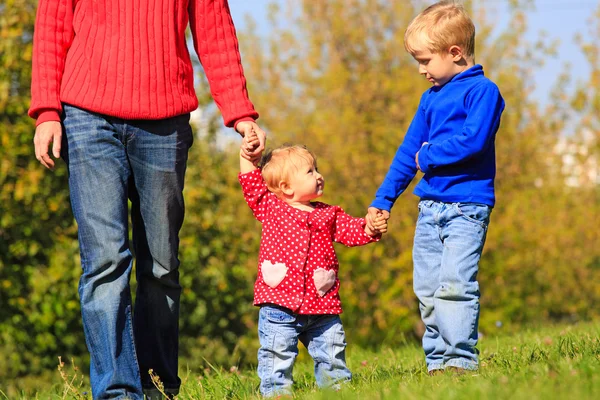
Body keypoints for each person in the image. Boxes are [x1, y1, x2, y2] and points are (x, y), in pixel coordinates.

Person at [29, 1, 265, 398]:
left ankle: (158, 388)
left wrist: (239, 112)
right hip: (87, 118)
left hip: (164, 123)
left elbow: (215, 32)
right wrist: (47, 110)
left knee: (161, 266)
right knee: (105, 262)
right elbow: (52, 25)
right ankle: (118, 392)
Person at [366, 1, 505, 375]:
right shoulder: (430, 100)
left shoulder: (483, 92)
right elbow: (407, 152)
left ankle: (461, 361)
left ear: (454, 52)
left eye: (425, 60)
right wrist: (384, 199)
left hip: (466, 208)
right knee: (427, 291)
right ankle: (438, 363)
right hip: (429, 210)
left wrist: (429, 157)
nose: (421, 70)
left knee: (456, 286)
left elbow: (473, 140)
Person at [238, 140, 387, 397]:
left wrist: (369, 227)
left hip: (322, 305)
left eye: (317, 169)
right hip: (279, 305)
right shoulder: (271, 207)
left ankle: (337, 391)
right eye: (310, 172)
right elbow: (251, 182)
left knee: (332, 353)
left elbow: (353, 230)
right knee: (276, 356)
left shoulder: (329, 214)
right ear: (285, 187)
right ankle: (276, 394)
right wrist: (247, 155)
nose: (319, 176)